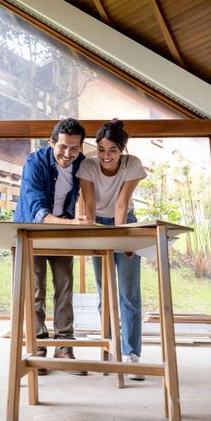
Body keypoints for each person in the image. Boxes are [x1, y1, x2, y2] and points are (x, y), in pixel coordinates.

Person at [14, 118, 93, 375]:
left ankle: (64, 348)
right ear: (51, 142)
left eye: (74, 148)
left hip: (62, 231)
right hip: (32, 230)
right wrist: (72, 223)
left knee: (65, 288)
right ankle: (38, 350)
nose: (68, 154)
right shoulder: (35, 163)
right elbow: (37, 210)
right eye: (62, 147)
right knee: (36, 291)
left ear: (81, 147)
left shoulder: (81, 163)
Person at [76, 119, 147, 380]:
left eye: (112, 150)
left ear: (122, 150)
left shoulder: (133, 164)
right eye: (101, 149)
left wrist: (122, 240)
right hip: (97, 223)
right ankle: (108, 347)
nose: (106, 156)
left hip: (124, 222)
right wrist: (94, 235)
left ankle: (132, 353)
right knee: (104, 290)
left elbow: (121, 203)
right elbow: (90, 203)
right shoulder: (87, 165)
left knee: (129, 292)